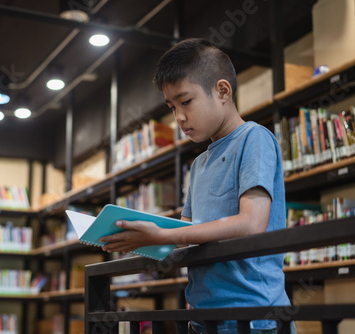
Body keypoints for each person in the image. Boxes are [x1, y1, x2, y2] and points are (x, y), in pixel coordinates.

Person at [99, 38, 295, 334]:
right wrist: (142, 238)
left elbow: (252, 223)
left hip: (255, 318)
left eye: (186, 101)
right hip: (203, 319)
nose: (178, 117)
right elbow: (185, 235)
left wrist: (164, 233)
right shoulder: (199, 165)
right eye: (172, 106)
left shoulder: (254, 139)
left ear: (222, 91)